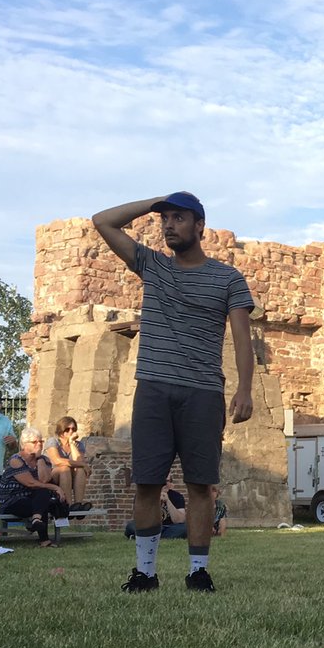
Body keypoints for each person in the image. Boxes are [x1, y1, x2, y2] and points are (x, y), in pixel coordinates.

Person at [93, 191, 255, 593]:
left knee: (201, 485)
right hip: (153, 390)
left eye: (179, 218)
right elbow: (103, 220)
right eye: (165, 219)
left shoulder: (228, 279)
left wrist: (245, 390)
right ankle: (145, 573)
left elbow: (242, 338)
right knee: (147, 483)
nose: (169, 225)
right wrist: (155, 202)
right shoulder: (153, 266)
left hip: (202, 392)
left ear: (200, 226)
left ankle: (198, 571)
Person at [0, 427, 68, 548]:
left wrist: (39, 458)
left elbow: (43, 480)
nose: (39, 444)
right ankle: (43, 538)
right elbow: (31, 483)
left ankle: (36, 521)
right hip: (12, 501)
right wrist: (55, 488)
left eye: (41, 441)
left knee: (42, 496)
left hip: (33, 499)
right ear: (24, 444)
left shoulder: (44, 460)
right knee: (42, 500)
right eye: (35, 442)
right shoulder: (16, 460)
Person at [44, 416, 92, 511]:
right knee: (64, 468)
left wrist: (72, 443)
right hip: (52, 475)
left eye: (73, 429)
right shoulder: (53, 441)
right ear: (61, 430)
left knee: (81, 470)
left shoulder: (79, 444)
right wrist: (82, 464)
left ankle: (78, 505)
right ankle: (68, 505)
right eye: (67, 429)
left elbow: (79, 462)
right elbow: (57, 461)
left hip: (69, 477)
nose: (70, 431)